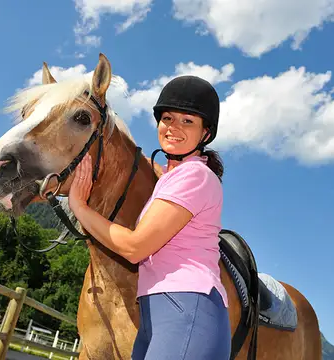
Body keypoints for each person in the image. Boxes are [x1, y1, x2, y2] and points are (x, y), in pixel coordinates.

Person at [68, 75, 231, 360]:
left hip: (185, 306)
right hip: (158, 310)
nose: (174, 128)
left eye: (188, 121)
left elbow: (134, 247)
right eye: (168, 118)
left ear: (206, 133)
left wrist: (80, 207)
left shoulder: (195, 175)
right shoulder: (173, 178)